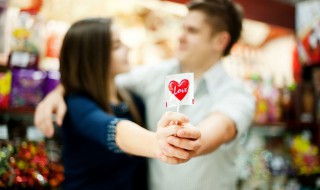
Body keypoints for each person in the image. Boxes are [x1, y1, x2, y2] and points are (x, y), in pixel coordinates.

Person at [35, 1, 255, 189]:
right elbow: (96, 77)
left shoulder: (236, 93)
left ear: (220, 41)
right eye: (183, 27)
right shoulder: (156, 75)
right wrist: (60, 90)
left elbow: (222, 128)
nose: (181, 36)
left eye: (192, 31)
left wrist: (191, 143)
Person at [47, 17, 201, 190]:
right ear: (94, 57)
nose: (128, 48)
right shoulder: (77, 105)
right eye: (117, 46)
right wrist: (159, 143)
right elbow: (115, 130)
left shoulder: (133, 100)